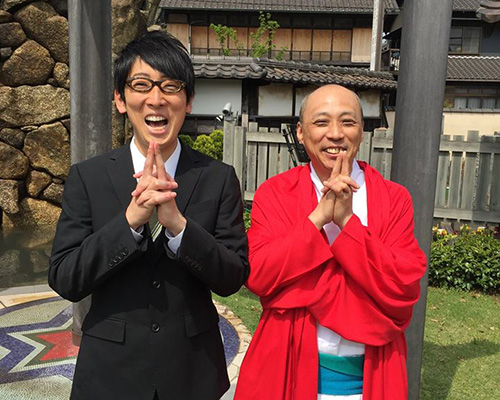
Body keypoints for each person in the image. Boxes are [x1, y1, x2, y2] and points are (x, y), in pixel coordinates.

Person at [49, 31, 249, 400]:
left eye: (171, 86)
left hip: (192, 373)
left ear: (188, 100)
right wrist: (129, 221)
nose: (156, 99)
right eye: (141, 85)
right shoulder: (88, 177)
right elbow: (65, 277)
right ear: (120, 99)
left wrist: (179, 227)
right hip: (109, 375)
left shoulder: (218, 178)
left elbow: (232, 277)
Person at [234, 85, 427, 400]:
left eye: (347, 122)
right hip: (287, 365)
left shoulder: (394, 198)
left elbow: (402, 285)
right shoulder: (275, 193)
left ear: (361, 131)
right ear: (301, 132)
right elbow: (259, 275)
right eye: (321, 122)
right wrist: (317, 219)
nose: (335, 134)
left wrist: (347, 222)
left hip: (370, 374)